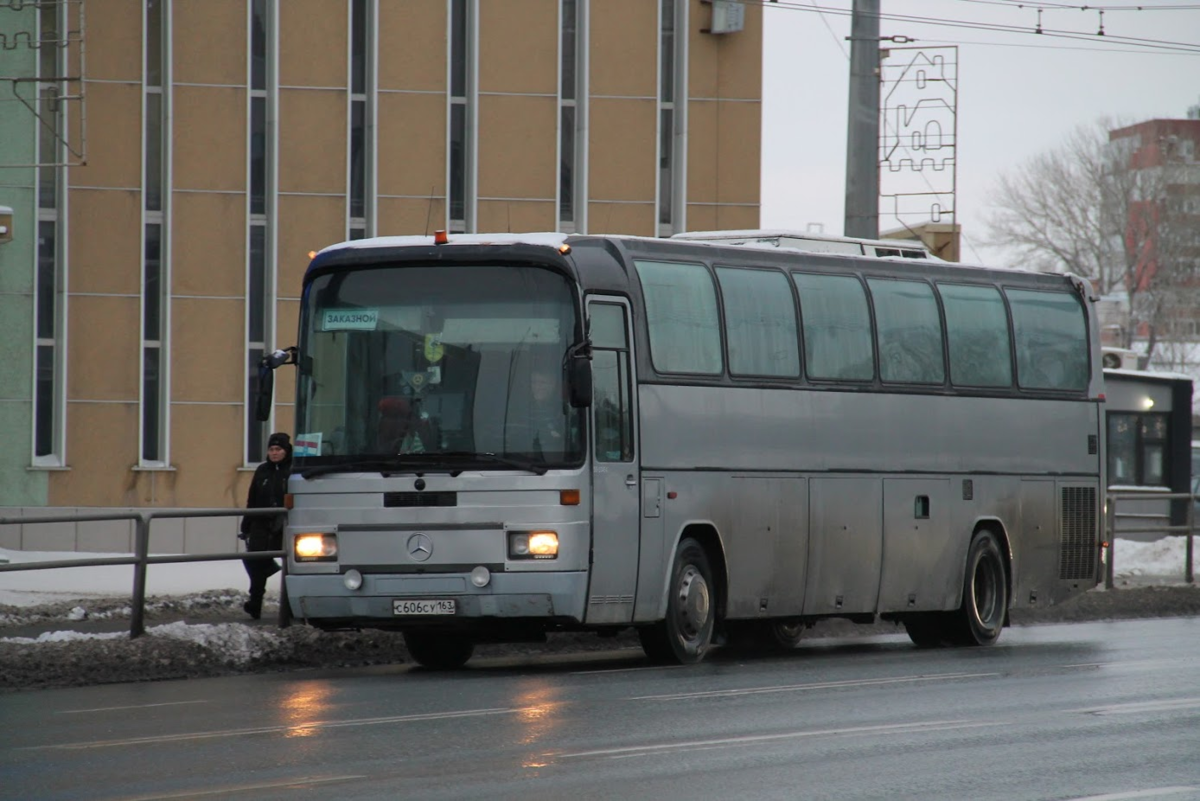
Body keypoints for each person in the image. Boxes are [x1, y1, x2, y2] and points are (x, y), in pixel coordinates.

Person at [239, 432, 291, 619]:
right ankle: (255, 603)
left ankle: (289, 606)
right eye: (271, 449)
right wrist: (246, 524)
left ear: (286, 451)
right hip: (260, 520)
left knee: (290, 563)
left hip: (284, 522)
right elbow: (252, 498)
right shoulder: (262, 471)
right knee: (254, 559)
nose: (274, 453)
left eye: (278, 449)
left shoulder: (292, 471)